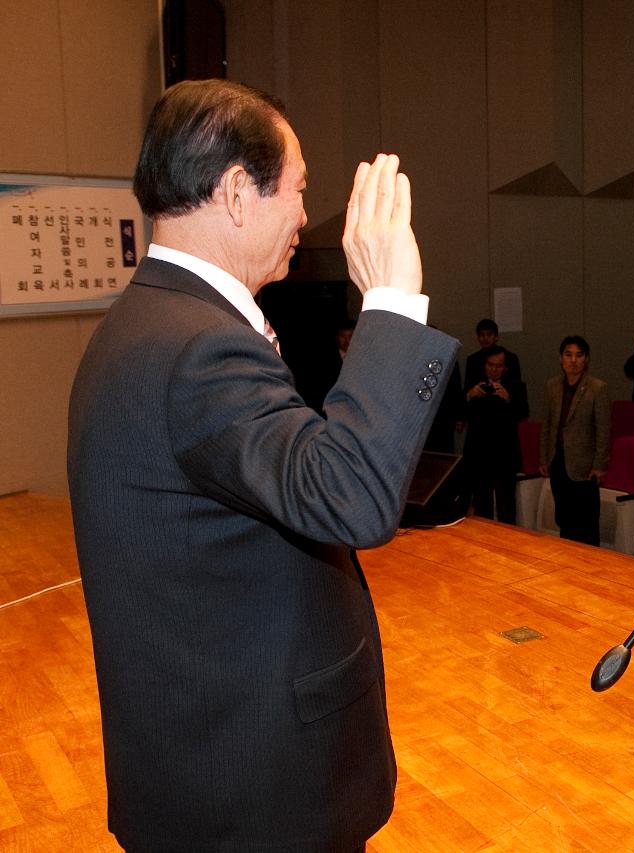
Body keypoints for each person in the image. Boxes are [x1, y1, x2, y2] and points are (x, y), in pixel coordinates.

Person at [66, 79, 457, 851]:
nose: (306, 219)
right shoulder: (198, 348)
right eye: (300, 190)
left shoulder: (148, 321)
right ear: (239, 193)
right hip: (255, 794)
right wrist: (392, 299)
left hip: (207, 769)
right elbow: (350, 494)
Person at [540, 335, 610, 545]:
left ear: (586, 359)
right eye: (568, 355)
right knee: (564, 518)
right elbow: (546, 425)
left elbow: (604, 429)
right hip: (558, 460)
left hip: (585, 466)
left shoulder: (598, 388)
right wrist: (544, 458)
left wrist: (599, 465)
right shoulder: (552, 386)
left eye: (579, 355)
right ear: (560, 358)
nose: (573, 360)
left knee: (586, 523)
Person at [463, 345, 528, 523]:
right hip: (480, 453)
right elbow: (460, 416)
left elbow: (523, 413)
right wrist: (469, 396)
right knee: (482, 505)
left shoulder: (516, 386)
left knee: (506, 506)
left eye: (498, 366)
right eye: (490, 365)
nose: (494, 369)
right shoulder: (475, 386)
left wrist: (508, 399)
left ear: (505, 368)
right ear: (484, 366)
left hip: (504, 454)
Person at [463, 318, 522, 388]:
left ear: (496, 337)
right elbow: (467, 387)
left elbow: (517, 387)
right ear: (478, 337)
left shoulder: (510, 358)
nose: (485, 338)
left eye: (489, 334)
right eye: (482, 335)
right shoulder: (472, 360)